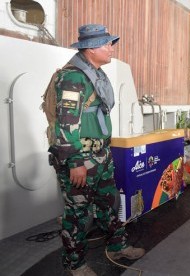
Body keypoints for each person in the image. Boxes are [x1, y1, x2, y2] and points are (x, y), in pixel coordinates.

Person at [48, 24, 145, 276]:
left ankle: (116, 247)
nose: (111, 48)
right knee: (77, 214)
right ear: (90, 48)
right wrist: (75, 162)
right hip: (82, 159)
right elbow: (65, 125)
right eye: (106, 44)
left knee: (109, 204)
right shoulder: (73, 78)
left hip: (101, 155)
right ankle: (75, 264)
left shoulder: (95, 73)